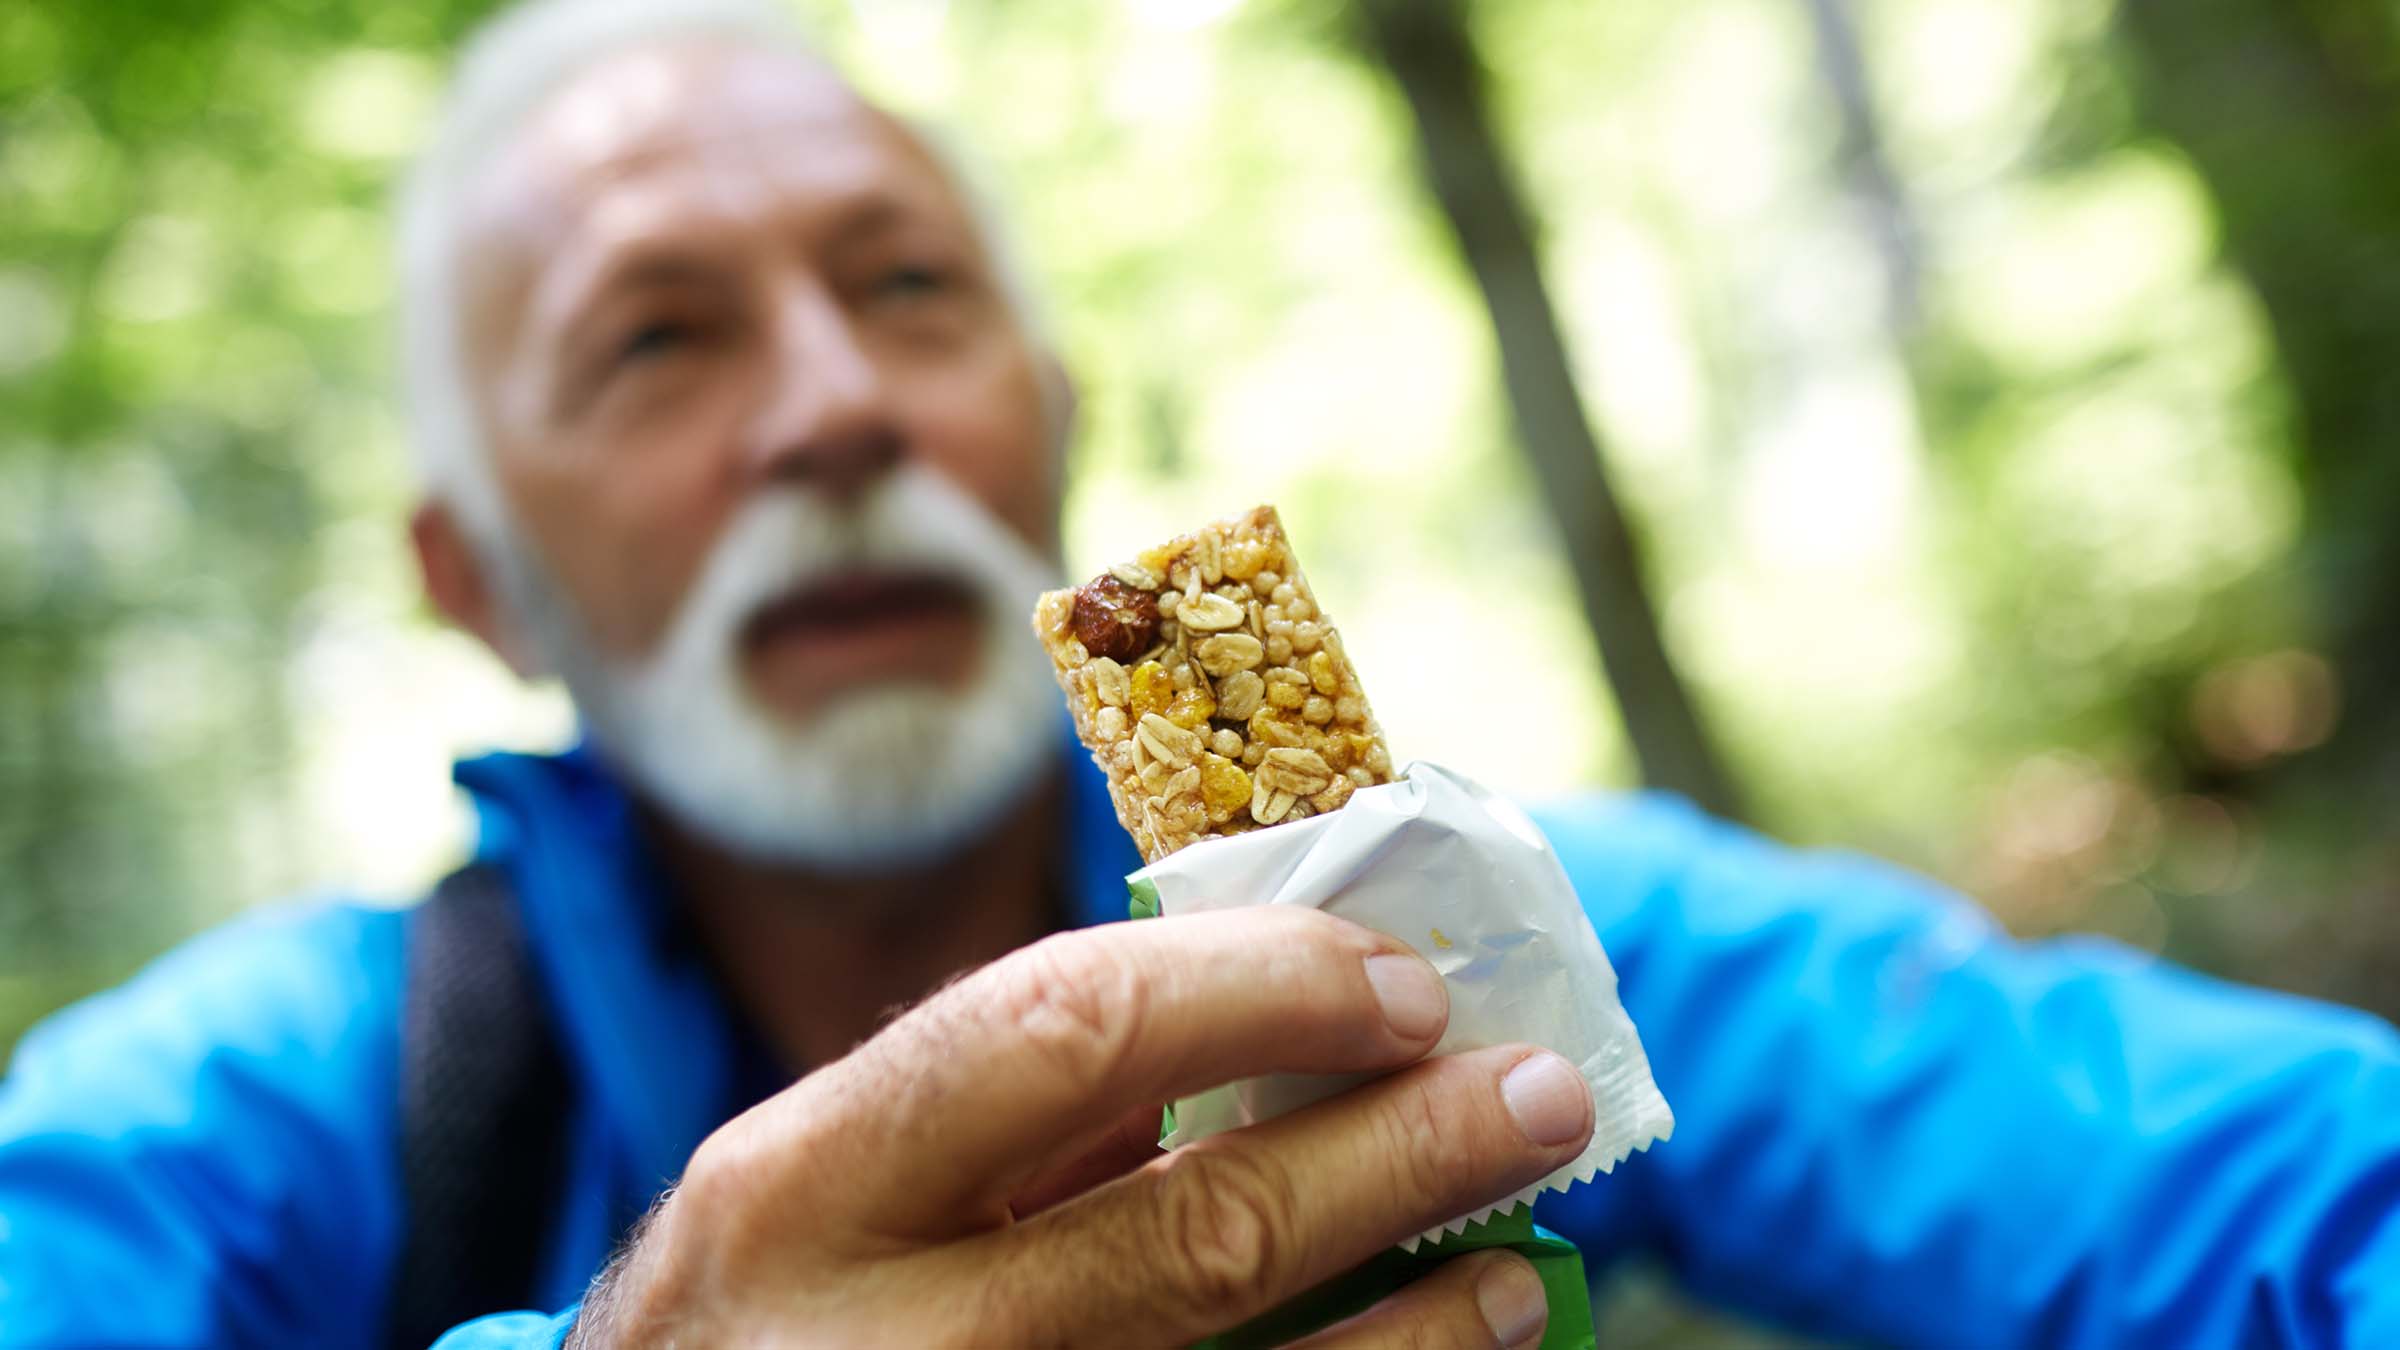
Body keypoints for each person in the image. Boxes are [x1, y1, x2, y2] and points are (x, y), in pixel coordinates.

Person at [4, 0, 2399, 1345]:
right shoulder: (231, 1125)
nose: (835, 410)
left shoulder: (1455, 931)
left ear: (1053, 424)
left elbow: (2228, 1182)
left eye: (909, 288)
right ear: (482, 579)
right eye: (655, 338)